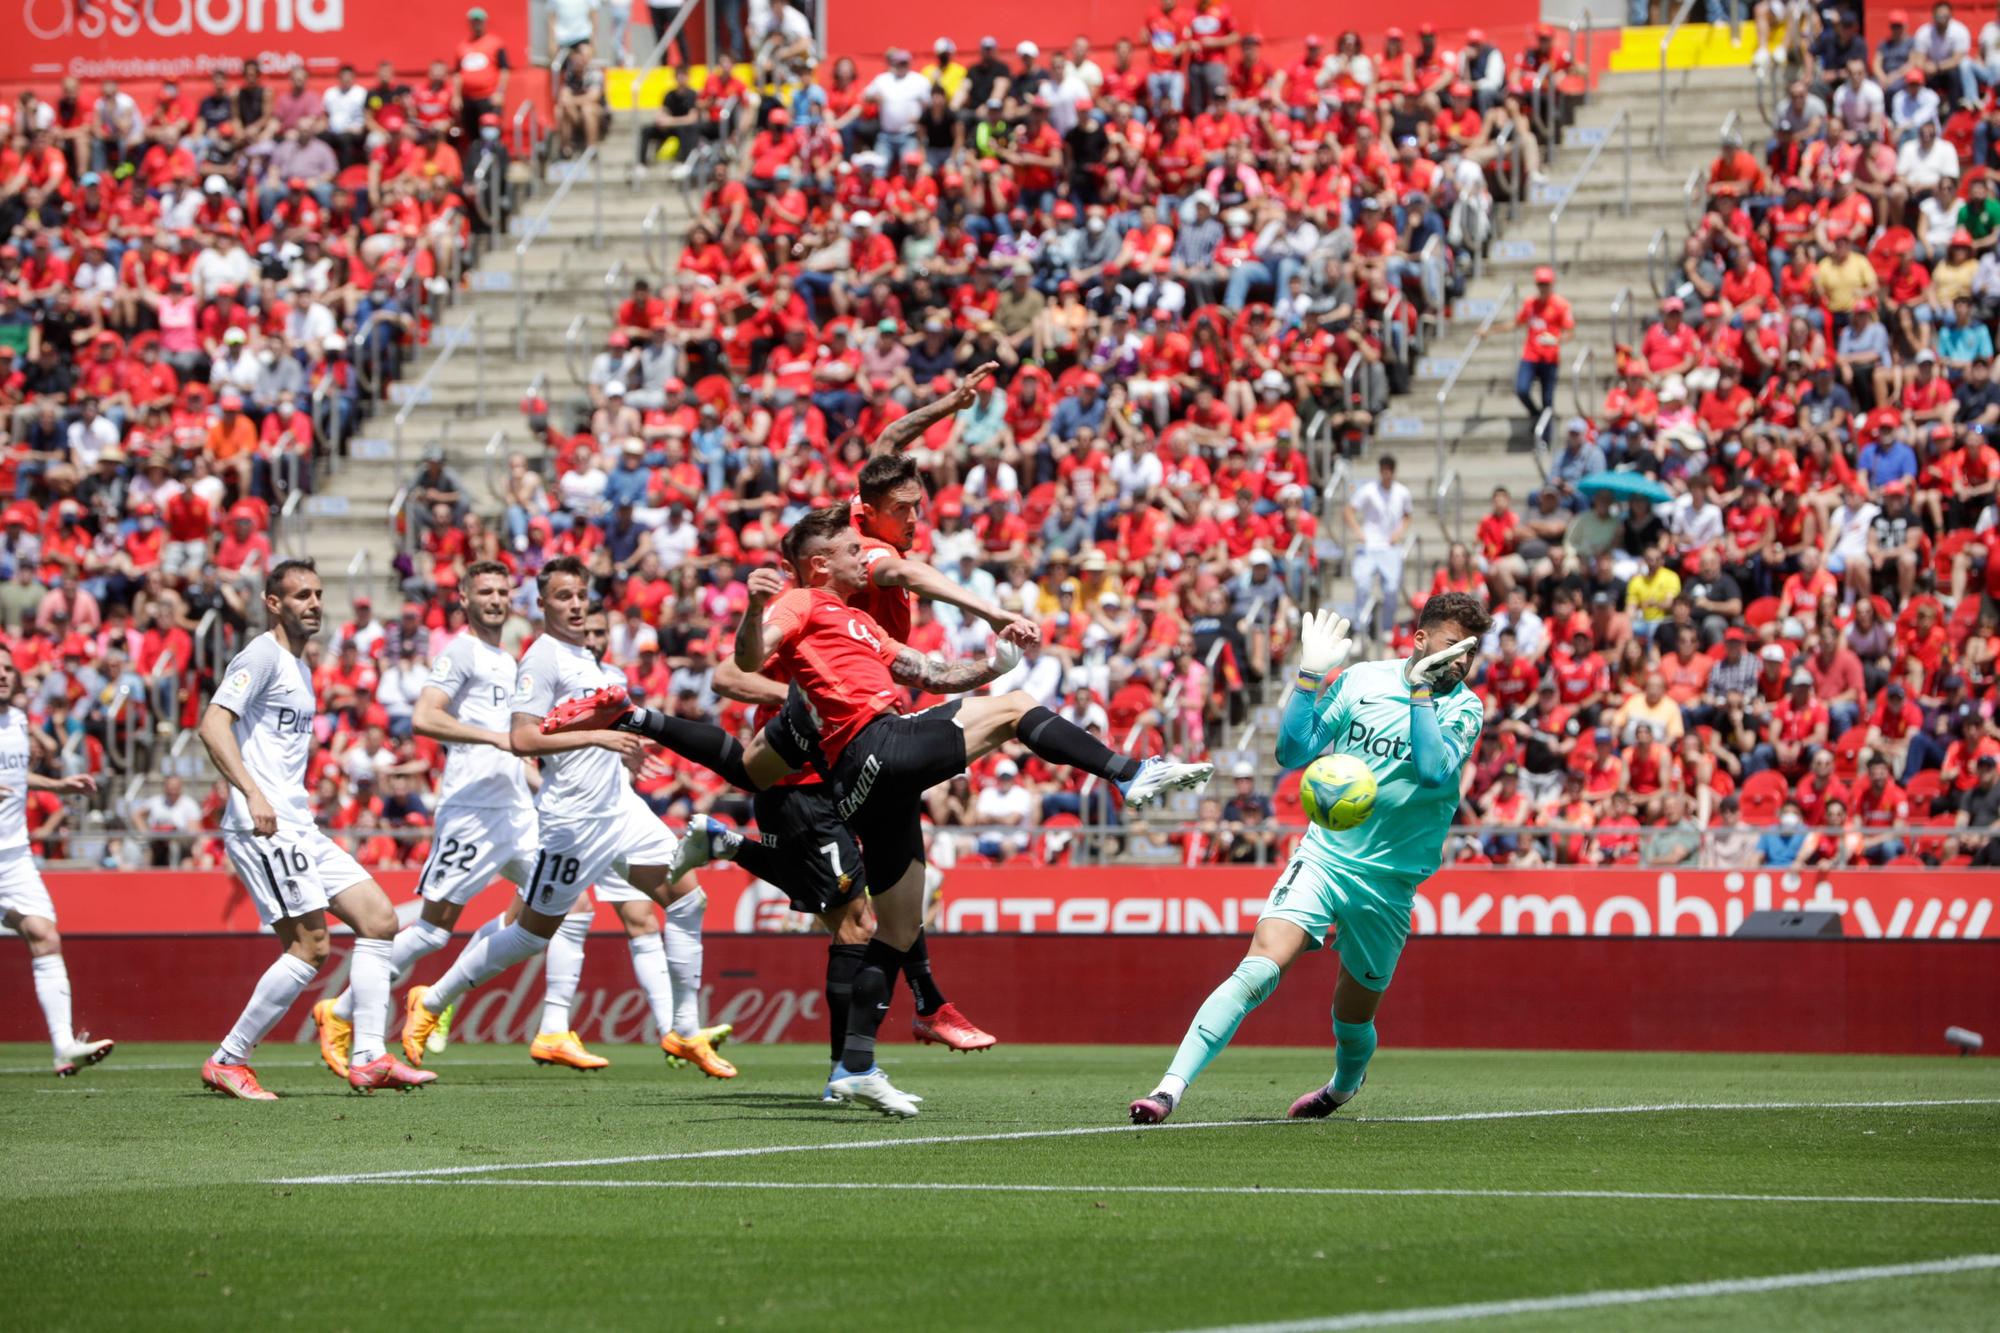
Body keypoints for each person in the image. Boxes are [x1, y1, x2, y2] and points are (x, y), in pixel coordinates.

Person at [548, 505, 1213, 1116]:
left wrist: (996, 660)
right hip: (874, 746)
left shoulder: (860, 621)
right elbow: (747, 657)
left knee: (893, 928)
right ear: (818, 564)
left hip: (866, 786)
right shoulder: (801, 600)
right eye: (847, 549)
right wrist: (755, 611)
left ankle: (853, 1065)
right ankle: (1133, 773)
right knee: (1015, 715)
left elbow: (933, 673)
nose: (861, 557)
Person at [1128, 593, 1491, 1124]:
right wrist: (1307, 679)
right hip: (1324, 858)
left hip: (1389, 882)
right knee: (1258, 968)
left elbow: (1435, 771)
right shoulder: (1363, 679)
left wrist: (1419, 693)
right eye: (1454, 645)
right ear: (1420, 639)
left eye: (1471, 652)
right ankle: (1167, 1090)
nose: (1462, 660)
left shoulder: (1465, 707)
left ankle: (1343, 1086)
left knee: (1352, 1013)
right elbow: (1293, 752)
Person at [396, 556, 709, 1066]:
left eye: (581, 596)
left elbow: (570, 735)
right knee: (453, 930)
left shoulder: (584, 665)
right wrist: (594, 739)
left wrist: (627, 745)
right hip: (508, 811)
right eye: (564, 597)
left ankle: (663, 1028)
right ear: (540, 605)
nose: (578, 606)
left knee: (675, 903)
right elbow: (521, 737)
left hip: (595, 811)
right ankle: (391, 1009)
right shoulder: (528, 658)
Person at [198, 559, 435, 1098]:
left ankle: (371, 1055)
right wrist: (253, 793)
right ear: (273, 602)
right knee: (311, 946)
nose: (314, 603)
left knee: (378, 919)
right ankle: (229, 1059)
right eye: (301, 594)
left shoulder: (302, 668)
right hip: (263, 823)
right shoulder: (261, 655)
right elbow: (212, 724)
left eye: (319, 594)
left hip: (297, 820)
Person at [0, 647, 114, 1076]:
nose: (5, 676)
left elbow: (13, 778)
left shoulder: (16, 721)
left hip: (13, 856)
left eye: (9, 669)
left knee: (45, 935)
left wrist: (58, 783)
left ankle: (64, 1046)